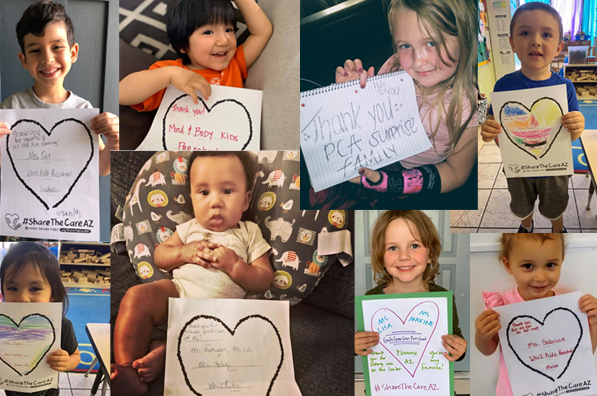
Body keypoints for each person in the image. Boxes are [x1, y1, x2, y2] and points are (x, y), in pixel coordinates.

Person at [111, 151, 274, 396]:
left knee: (236, 341)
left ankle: (166, 351)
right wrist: (184, 252)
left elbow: (264, 278)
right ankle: (128, 371)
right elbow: (160, 256)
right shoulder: (189, 228)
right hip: (178, 294)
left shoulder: (249, 232)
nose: (215, 202)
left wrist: (235, 266)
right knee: (136, 297)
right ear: (192, 198)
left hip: (221, 315)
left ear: (246, 200)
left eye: (227, 191)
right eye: (204, 192)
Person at [312, 0, 478, 207]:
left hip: (415, 182)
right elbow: (370, 123)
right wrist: (352, 96)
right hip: (372, 158)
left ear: (465, 38)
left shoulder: (466, 107)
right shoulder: (395, 67)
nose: (418, 61)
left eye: (432, 43)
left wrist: (389, 183)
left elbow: (456, 173)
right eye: (405, 46)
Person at [480, 3, 585, 233]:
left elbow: (573, 133)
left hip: (554, 170)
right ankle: (526, 227)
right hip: (519, 169)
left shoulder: (565, 87)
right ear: (512, 43)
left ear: (559, 47)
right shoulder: (502, 85)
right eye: (525, 33)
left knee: (555, 205)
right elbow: (492, 123)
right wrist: (487, 129)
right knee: (521, 205)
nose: (536, 41)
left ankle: (558, 229)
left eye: (546, 34)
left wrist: (578, 125)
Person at [354, 210, 467, 396]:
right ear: (381, 255)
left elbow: (455, 336)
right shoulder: (372, 299)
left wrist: (459, 348)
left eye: (414, 245)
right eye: (393, 247)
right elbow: (364, 344)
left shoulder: (442, 299)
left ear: (431, 253)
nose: (404, 256)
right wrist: (354, 344)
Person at [0, 0, 118, 176]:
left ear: (73, 53)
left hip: (71, 203)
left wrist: (114, 142)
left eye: (56, 47)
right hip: (24, 203)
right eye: (35, 50)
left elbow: (101, 168)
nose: (47, 59)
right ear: (24, 60)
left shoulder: (83, 110)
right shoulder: (12, 106)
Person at [475, 233, 597, 396]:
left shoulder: (571, 307)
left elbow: (581, 355)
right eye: (528, 266)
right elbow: (488, 350)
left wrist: (594, 324)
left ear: (561, 261)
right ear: (508, 265)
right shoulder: (502, 307)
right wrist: (482, 335)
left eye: (550, 265)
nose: (540, 277)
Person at [0, 242, 80, 396]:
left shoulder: (62, 326)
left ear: (52, 293)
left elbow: (76, 356)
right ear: (3, 291)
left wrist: (67, 362)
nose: (23, 298)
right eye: (12, 288)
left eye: (35, 288)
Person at [118, 0, 273, 110]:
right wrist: (170, 75)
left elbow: (262, 32)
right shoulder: (170, 72)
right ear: (182, 45)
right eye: (208, 32)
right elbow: (121, 93)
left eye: (229, 30)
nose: (224, 40)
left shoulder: (234, 64)